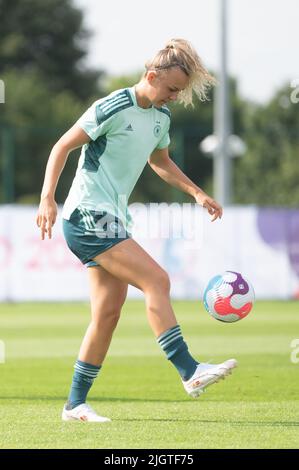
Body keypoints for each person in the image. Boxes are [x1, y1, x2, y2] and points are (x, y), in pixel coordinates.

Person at [36, 38, 237, 423]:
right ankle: (189, 371)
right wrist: (47, 197)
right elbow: (61, 147)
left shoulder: (161, 118)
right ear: (151, 76)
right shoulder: (113, 106)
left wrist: (196, 192)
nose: (175, 97)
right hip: (87, 217)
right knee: (157, 280)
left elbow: (159, 161)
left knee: (108, 314)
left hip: (112, 219)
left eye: (179, 91)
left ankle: (74, 405)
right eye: (172, 89)